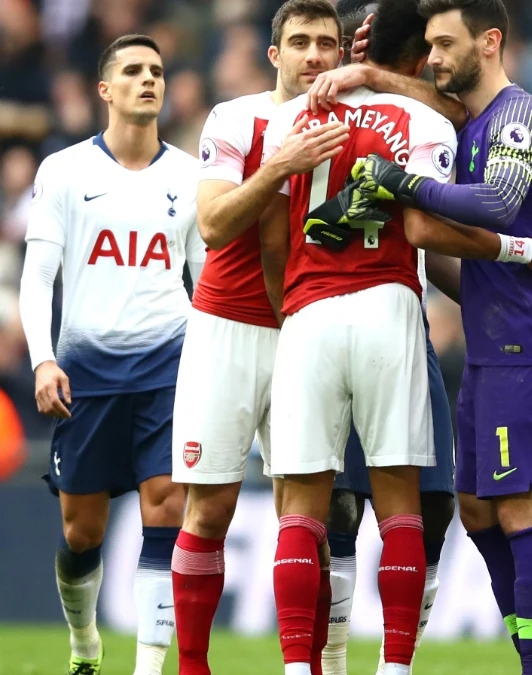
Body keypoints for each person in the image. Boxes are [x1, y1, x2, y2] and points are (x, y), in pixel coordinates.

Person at [258, 0, 532, 672]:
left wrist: (291, 307)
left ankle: (300, 666)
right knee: (415, 506)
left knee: (303, 508)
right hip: (391, 309)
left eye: (444, 44)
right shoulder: (427, 119)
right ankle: (396, 666)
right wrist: (523, 251)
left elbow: (269, 234)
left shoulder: (287, 119)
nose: (434, 59)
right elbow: (425, 230)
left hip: (312, 311)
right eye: (429, 47)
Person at [18, 34, 206, 675]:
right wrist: (44, 358)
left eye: (156, 69)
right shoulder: (65, 171)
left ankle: (148, 667)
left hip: (168, 365)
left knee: (167, 506)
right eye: (132, 70)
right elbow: (38, 276)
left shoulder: (190, 175)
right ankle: (84, 642)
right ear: (105, 90)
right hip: (87, 371)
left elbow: (205, 282)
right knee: (82, 533)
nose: (148, 79)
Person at [170, 4, 347, 674]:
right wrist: (279, 165)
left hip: (311, 328)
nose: (312, 56)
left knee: (307, 513)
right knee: (210, 506)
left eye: (325, 44)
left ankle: (306, 665)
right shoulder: (235, 119)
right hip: (228, 325)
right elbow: (213, 225)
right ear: (273, 54)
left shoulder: (358, 123)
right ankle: (192, 666)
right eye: (298, 42)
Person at [310, 3, 467, 674]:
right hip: (335, 316)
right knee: (343, 503)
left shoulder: (421, 112)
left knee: (430, 505)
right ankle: (341, 660)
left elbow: (462, 110)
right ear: (420, 55)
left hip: (401, 319)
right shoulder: (315, 109)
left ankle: (388, 665)